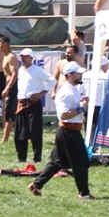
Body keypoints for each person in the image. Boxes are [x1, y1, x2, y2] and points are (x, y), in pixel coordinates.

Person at [29, 62, 95, 200]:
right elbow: (64, 115)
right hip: (68, 131)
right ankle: (84, 193)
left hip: (69, 131)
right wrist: (81, 108)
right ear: (70, 75)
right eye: (78, 73)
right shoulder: (66, 92)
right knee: (81, 162)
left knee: (57, 162)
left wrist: (82, 103)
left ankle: (37, 184)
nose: (80, 75)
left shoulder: (72, 89)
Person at [13, 48, 48, 164]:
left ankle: (37, 157)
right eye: (22, 56)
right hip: (22, 103)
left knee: (35, 131)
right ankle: (21, 157)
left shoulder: (37, 70)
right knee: (20, 132)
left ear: (31, 58)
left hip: (33, 103)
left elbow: (52, 81)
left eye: (26, 56)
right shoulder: (20, 70)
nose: (23, 58)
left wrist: (41, 93)